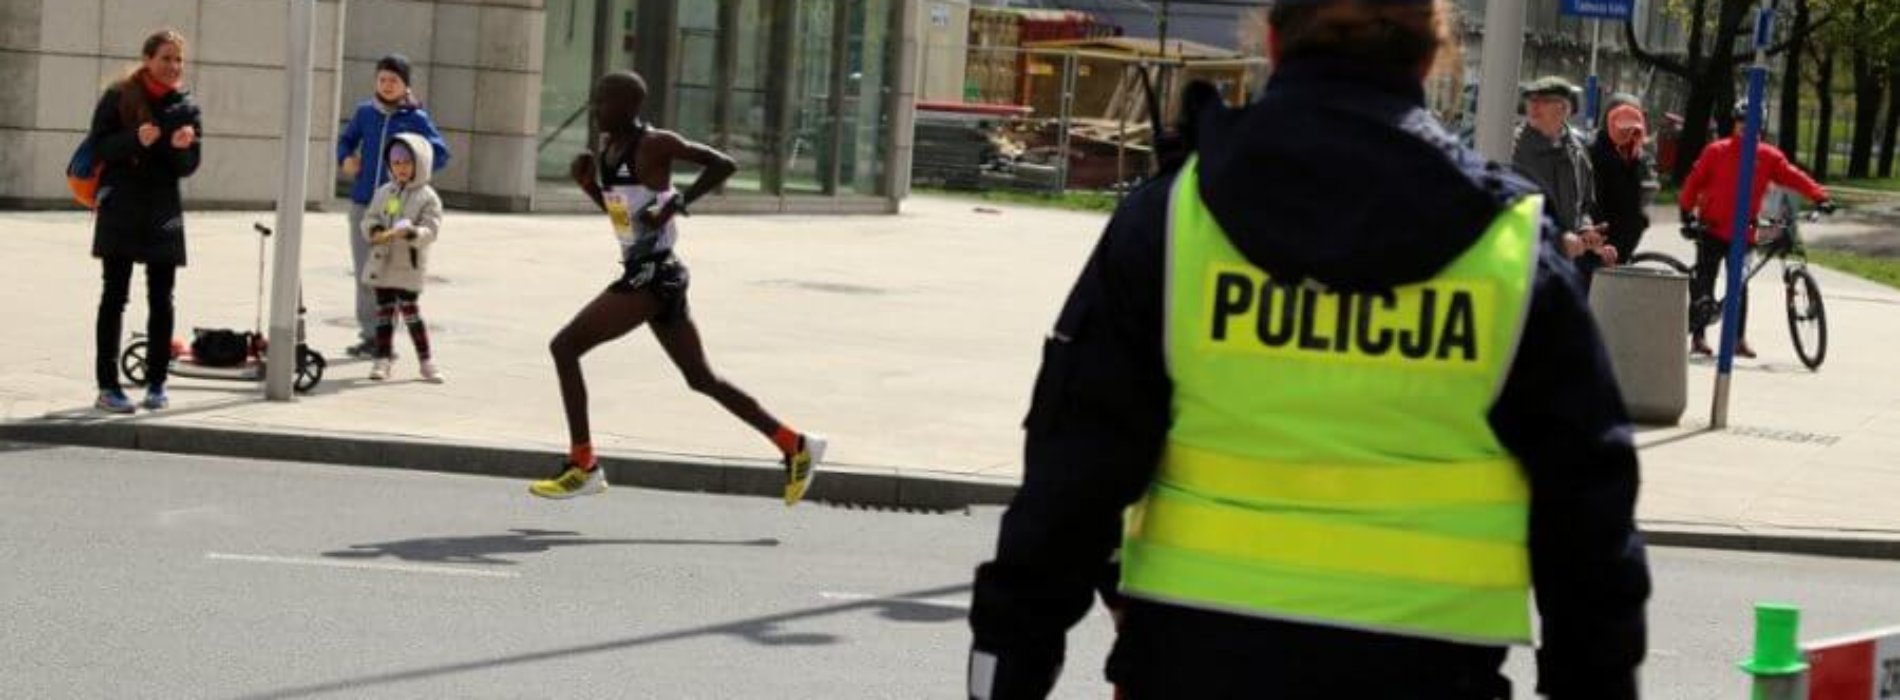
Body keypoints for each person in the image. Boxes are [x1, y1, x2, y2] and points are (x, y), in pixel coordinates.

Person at [967, 1, 1650, 698]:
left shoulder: (1174, 222)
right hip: (1427, 676)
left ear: (1271, 40)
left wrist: (1009, 661)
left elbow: (1073, 468)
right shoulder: (1508, 250)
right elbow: (1588, 517)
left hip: (1191, 667)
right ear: (1434, 56)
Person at [528, 71, 825, 506]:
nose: (595, 109)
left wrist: (679, 203)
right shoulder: (609, 151)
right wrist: (591, 186)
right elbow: (627, 223)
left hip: (654, 275)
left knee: (565, 347)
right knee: (701, 378)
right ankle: (794, 444)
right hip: (649, 270)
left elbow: (724, 164)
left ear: (628, 107)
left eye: (603, 102)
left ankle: (583, 464)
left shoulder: (655, 144)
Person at [89, 29, 203, 413]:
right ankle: (108, 386)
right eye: (165, 58)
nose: (173, 66)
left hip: (162, 209)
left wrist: (181, 149)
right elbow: (99, 146)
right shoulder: (119, 96)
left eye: (178, 60)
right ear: (147, 59)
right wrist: (135, 140)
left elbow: (188, 167)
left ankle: (157, 383)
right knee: (114, 295)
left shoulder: (185, 106)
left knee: (162, 297)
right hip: (121, 204)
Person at [1678, 100, 1835, 358]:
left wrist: (1819, 196)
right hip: (1712, 228)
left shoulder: (1768, 156)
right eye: (1740, 122)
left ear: (1759, 126)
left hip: (1743, 232)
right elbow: (1695, 179)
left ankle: (1738, 339)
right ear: (1734, 123)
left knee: (1739, 286)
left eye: (1749, 123)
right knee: (1704, 283)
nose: (1744, 128)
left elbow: (1793, 175)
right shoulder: (1716, 151)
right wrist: (1686, 210)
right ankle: (1698, 336)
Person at [336, 54, 451, 360]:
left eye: (394, 81)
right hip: (366, 205)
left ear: (405, 85)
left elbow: (439, 153)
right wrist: (346, 159)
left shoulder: (415, 119)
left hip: (400, 208)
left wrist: (414, 174)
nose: (387, 86)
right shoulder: (364, 113)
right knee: (366, 271)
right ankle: (369, 335)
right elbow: (345, 141)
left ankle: (384, 338)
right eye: (382, 79)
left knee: (393, 275)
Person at [359, 134, 445, 383]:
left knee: (411, 313)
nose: (401, 168)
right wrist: (374, 230)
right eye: (396, 163)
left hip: (408, 263)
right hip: (383, 261)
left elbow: (431, 229)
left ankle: (426, 361)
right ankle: (382, 359)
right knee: (384, 313)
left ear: (420, 164)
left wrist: (412, 233)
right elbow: (370, 217)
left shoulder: (428, 197)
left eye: (407, 163)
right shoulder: (385, 192)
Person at [1512, 76, 1615, 277]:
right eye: (1531, 100)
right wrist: (1556, 240)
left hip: (1563, 268)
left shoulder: (1577, 151)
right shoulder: (1512, 147)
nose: (1534, 106)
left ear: (1564, 108)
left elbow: (1583, 205)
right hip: (1524, 263)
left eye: (1544, 101)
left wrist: (1586, 233)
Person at [1590, 94, 1660, 262]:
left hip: (1625, 241)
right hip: (1602, 243)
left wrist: (1641, 221)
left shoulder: (1637, 155)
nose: (1629, 131)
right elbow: (1592, 202)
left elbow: (1647, 190)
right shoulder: (1595, 154)